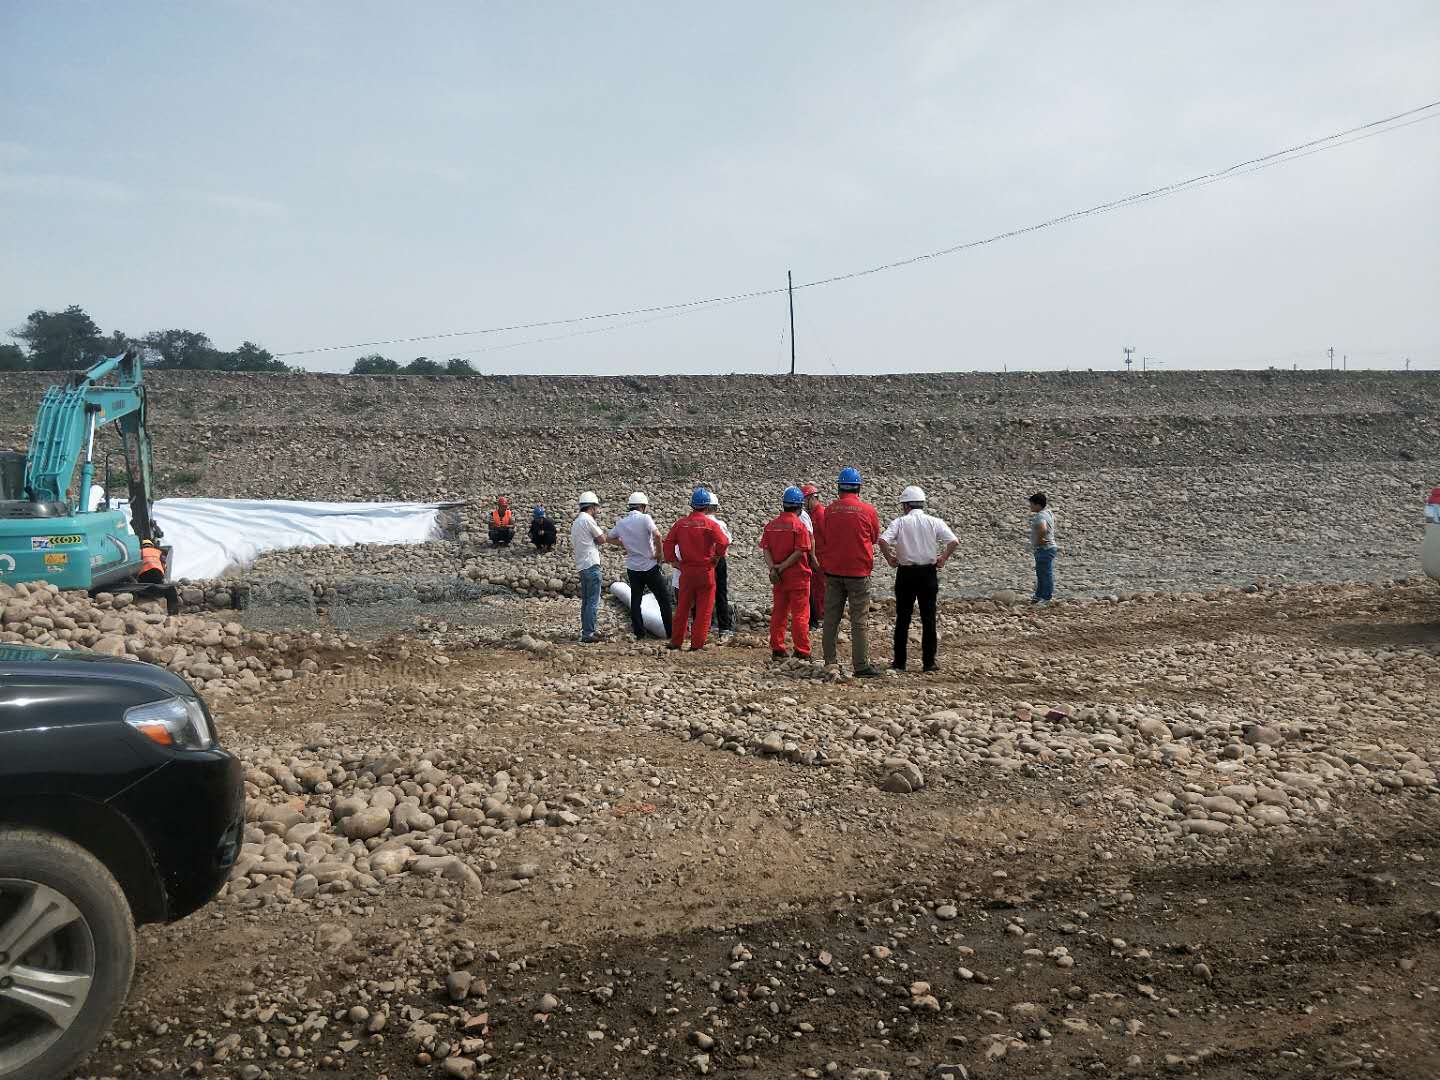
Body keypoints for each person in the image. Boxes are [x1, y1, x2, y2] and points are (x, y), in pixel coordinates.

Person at [878, 485, 958, 672]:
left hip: (906, 573)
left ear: (906, 505)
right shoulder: (934, 521)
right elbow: (953, 541)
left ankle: (899, 662)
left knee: (903, 618)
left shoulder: (900, 522)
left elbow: (882, 541)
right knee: (928, 618)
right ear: (921, 503)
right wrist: (943, 558)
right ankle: (929, 662)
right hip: (928, 573)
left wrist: (890, 558)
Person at [816, 467, 884, 677]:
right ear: (859, 488)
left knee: (831, 619)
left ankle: (830, 661)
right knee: (859, 619)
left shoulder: (829, 511)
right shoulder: (868, 511)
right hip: (859, 572)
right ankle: (861, 665)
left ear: (839, 488)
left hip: (833, 572)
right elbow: (873, 538)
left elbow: (825, 536)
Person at [663, 487, 730, 651]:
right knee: (704, 609)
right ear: (707, 507)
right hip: (706, 570)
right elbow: (723, 542)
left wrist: (673, 561)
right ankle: (697, 644)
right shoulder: (711, 524)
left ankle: (676, 641)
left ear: (692, 505)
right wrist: (716, 557)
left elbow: (668, 543)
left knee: (682, 608)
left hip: (687, 571)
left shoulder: (681, 524)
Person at [608, 492, 674, 640]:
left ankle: (639, 633)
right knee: (663, 599)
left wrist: (624, 543)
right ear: (643, 506)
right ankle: (670, 632)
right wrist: (659, 554)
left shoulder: (622, 523)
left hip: (633, 568)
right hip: (649, 566)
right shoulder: (645, 518)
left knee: (636, 601)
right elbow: (657, 535)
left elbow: (609, 538)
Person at [760, 487, 814, 660]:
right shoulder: (799, 526)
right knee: (800, 614)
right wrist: (782, 567)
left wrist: (773, 568)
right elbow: (800, 551)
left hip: (778, 577)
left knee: (779, 612)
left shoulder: (771, 525)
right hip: (797, 576)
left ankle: (777, 648)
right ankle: (802, 650)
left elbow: (766, 549)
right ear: (799, 507)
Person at [698, 489, 735, 640]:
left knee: (701, 595)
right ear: (715, 508)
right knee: (720, 594)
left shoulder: (696, 522)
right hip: (718, 561)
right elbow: (727, 541)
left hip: (700, 561)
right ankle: (723, 628)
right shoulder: (719, 523)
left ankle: (702, 628)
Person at [571, 491, 605, 643]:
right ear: (591, 507)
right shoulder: (588, 520)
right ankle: (589, 634)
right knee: (592, 600)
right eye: (596, 507)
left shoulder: (577, 521)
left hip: (582, 565)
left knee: (586, 601)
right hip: (591, 564)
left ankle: (586, 631)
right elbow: (601, 539)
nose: (597, 510)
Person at [802, 484, 826, 630]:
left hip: (821, 556)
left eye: (805, 500)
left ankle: (821, 616)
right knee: (814, 588)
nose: (803, 503)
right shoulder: (811, 514)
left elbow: (828, 537)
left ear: (811, 498)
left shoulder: (821, 514)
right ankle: (816, 615)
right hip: (814, 556)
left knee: (820, 587)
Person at [1029, 492, 1058, 604]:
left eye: (1032, 504)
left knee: (1045, 574)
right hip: (1048, 548)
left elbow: (1043, 529)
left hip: (1044, 548)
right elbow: (1054, 520)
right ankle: (1038, 595)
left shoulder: (1040, 515)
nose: (1030, 506)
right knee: (1041, 573)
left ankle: (1046, 598)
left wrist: (1040, 539)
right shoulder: (1048, 512)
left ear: (1038, 505)